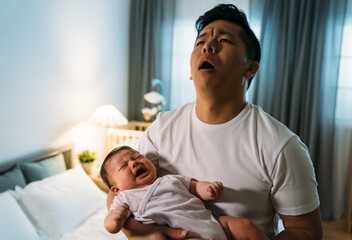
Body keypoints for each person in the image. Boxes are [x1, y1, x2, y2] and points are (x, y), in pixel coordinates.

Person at [107, 3, 323, 240]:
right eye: (200, 42)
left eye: (225, 41)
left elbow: (306, 232)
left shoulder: (281, 145)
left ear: (249, 68)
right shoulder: (161, 128)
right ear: (191, 69)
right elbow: (119, 193)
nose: (208, 46)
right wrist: (145, 233)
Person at [101, 145, 268, 240]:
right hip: (184, 236)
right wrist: (115, 220)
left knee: (245, 226)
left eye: (137, 157)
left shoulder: (169, 179)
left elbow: (194, 186)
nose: (134, 163)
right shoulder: (125, 198)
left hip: (213, 221)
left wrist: (208, 189)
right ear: (116, 189)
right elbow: (110, 225)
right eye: (124, 166)